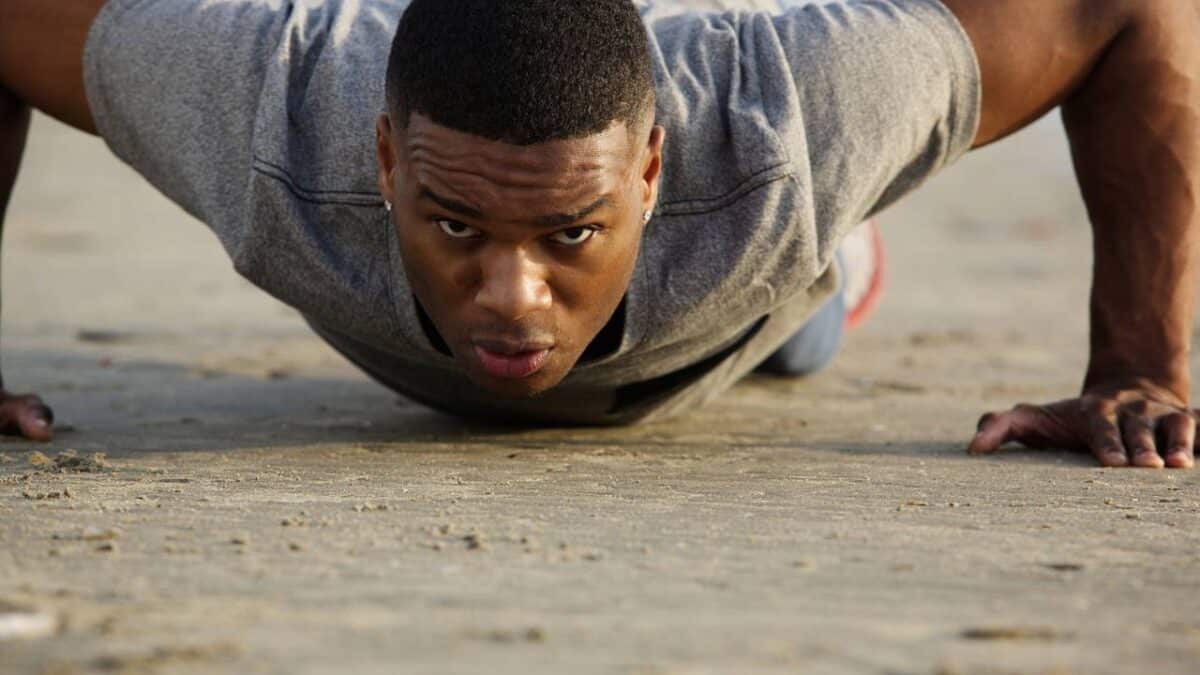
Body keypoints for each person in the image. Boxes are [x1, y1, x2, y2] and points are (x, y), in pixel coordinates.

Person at [0, 0, 1196, 469]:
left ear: (652, 169)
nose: (512, 298)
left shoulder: (790, 132)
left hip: (748, 307)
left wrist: (1137, 362)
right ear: (380, 161)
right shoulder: (268, 117)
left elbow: (1132, 13)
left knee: (809, 301)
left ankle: (847, 267)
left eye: (570, 232)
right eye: (455, 223)